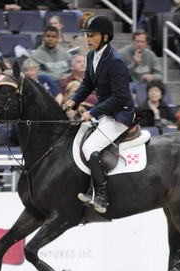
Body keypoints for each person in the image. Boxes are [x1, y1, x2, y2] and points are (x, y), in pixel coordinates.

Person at [62, 16, 136, 214]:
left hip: (120, 114)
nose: (88, 39)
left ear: (105, 36)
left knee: (90, 147)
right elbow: (87, 83)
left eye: (92, 35)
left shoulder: (116, 61)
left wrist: (93, 112)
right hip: (106, 112)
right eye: (87, 35)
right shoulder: (91, 56)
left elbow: (120, 97)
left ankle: (101, 197)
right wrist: (75, 100)